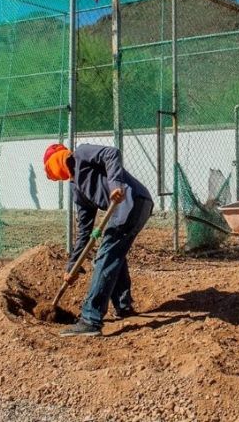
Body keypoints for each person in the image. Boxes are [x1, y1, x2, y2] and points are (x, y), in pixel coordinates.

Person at [43, 142, 154, 337]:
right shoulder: (77, 189)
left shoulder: (81, 153)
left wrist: (114, 185)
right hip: (136, 204)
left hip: (131, 201)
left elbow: (112, 154)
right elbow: (84, 232)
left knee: (105, 256)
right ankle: (123, 306)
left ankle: (90, 319)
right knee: (114, 253)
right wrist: (72, 266)